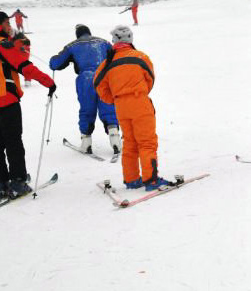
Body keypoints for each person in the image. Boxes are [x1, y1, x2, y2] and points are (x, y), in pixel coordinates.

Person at [0, 11, 56, 200]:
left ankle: (2, 184)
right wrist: (48, 82)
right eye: (7, 23)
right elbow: (23, 66)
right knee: (13, 141)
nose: (10, 27)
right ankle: (18, 182)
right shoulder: (1, 44)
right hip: (5, 98)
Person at [93, 26, 171, 190]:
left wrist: (114, 98)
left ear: (114, 41)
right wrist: (139, 93)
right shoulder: (140, 57)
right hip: (139, 102)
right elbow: (150, 78)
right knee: (146, 142)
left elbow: (98, 85)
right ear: (130, 39)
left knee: (129, 143)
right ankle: (151, 180)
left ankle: (132, 179)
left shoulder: (107, 63)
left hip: (121, 106)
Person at [49, 24, 121, 156]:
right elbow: (116, 57)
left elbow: (56, 64)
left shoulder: (72, 45)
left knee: (87, 110)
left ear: (77, 35)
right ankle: (115, 140)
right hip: (104, 78)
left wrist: (53, 59)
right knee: (108, 107)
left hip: (85, 80)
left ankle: (86, 143)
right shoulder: (103, 42)